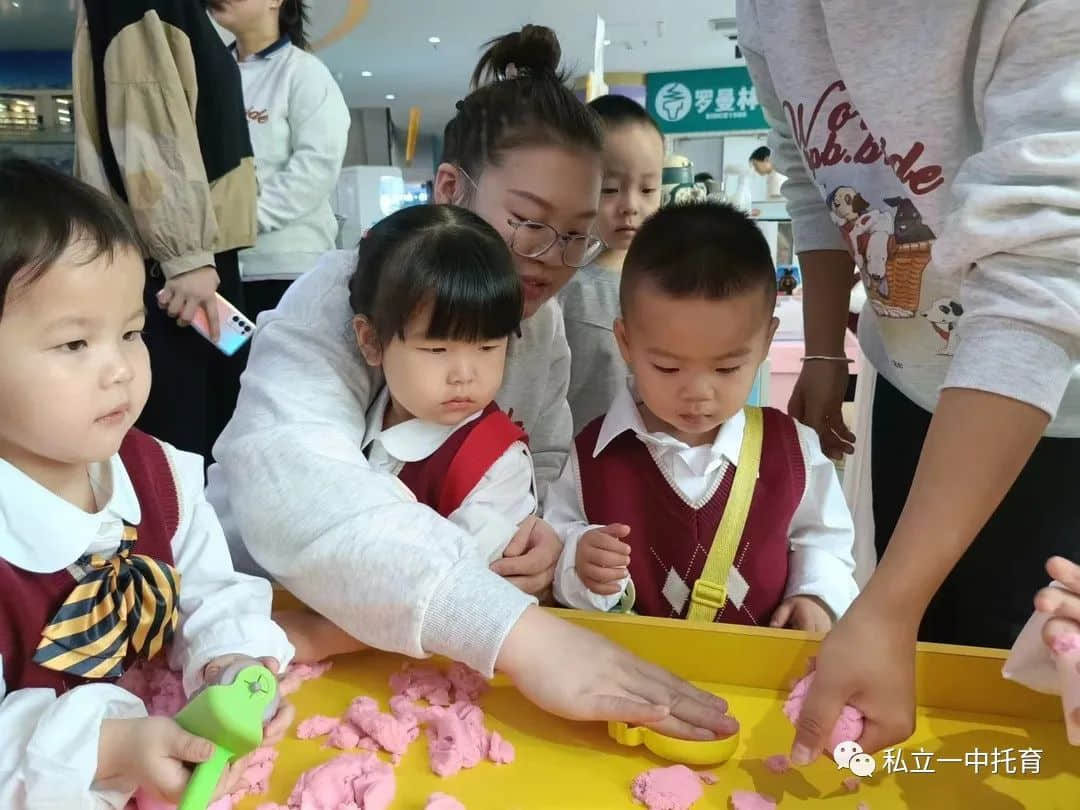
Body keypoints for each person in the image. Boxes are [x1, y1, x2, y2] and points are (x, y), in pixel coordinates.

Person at [206, 25, 739, 741]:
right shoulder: (340, 296)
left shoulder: (538, 322)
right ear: (451, 189)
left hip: (431, 640)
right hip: (262, 616)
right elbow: (292, 487)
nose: (550, 261)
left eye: (577, 234)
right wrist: (516, 631)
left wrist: (544, 538)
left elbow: (544, 453)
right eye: (527, 223)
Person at [737, 0, 1080, 761]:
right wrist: (827, 352)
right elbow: (809, 175)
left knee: (1015, 693)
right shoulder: (768, 10)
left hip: (1051, 404)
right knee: (915, 661)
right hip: (912, 380)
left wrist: (887, 606)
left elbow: (1045, 273)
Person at [0, 160, 294, 808]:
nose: (120, 371)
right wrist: (108, 749)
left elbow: (211, 589)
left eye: (131, 333)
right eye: (75, 344)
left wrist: (230, 661)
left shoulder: (158, 475)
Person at [547, 203, 857, 631]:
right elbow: (557, 545)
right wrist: (578, 563)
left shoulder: (792, 450)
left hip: (755, 678)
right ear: (625, 341)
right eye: (668, 368)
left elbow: (823, 539)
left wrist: (816, 596)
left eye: (727, 368)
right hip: (632, 676)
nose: (698, 393)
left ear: (765, 341)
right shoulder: (591, 457)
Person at [278, 205, 537, 662]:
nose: (464, 374)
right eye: (437, 348)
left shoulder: (497, 463)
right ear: (371, 341)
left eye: (489, 346)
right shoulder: (342, 423)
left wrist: (316, 638)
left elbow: (454, 589)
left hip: (431, 670)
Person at [73, 0, 258, 462]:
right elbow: (148, 119)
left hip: (184, 259)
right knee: (187, 443)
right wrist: (185, 252)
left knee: (200, 435)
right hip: (175, 266)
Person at [208, 0, 350, 317]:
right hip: (217, 269)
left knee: (281, 364)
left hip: (289, 270)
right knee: (230, 365)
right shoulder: (210, 75)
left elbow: (316, 169)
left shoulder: (303, 72)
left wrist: (240, 222)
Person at [557, 94, 665, 434]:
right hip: (574, 466)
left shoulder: (669, 280)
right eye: (609, 189)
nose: (630, 206)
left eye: (648, 189)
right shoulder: (558, 285)